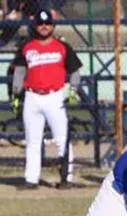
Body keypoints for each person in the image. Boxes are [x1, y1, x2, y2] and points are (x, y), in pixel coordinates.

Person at [10, 9, 82, 190]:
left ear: (52, 25)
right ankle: (31, 179)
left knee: (62, 139)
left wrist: (73, 89)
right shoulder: (27, 47)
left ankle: (66, 177)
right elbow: (19, 71)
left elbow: (74, 70)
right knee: (32, 140)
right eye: (40, 24)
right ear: (35, 26)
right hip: (32, 97)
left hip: (54, 97)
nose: (44, 27)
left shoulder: (62, 47)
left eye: (47, 24)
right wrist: (16, 93)